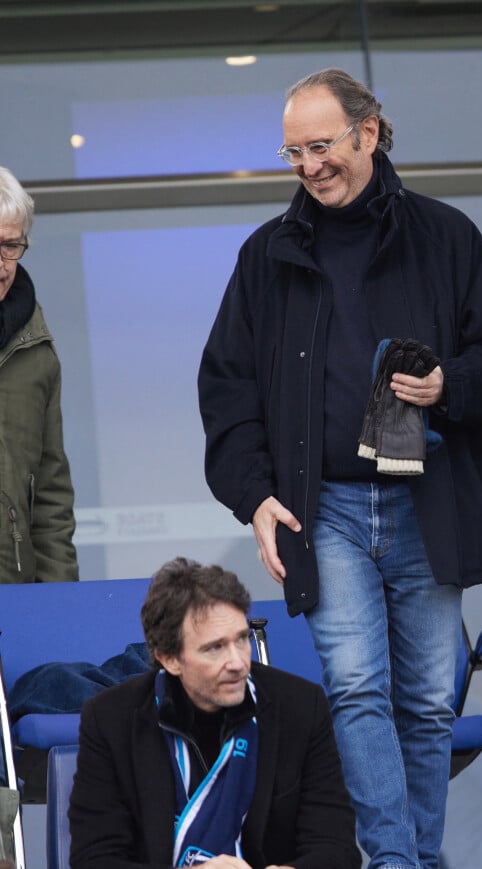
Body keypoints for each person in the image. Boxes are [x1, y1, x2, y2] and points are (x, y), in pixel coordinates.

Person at [197, 68, 482, 869]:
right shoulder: (266, 256)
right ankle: (392, 860)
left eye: (322, 146)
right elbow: (226, 389)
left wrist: (450, 384)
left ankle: (413, 856)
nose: (310, 165)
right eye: (293, 152)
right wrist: (254, 497)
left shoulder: (446, 235)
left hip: (430, 503)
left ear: (369, 134)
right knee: (355, 690)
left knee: (424, 701)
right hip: (328, 511)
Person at [68, 557, 360, 869]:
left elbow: (337, 849)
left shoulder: (301, 706)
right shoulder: (111, 719)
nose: (237, 662)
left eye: (241, 639)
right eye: (214, 648)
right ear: (170, 659)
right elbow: (94, 859)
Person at [0, 165, 78, 583]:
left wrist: (60, 604)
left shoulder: (38, 352)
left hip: (14, 601)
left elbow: (51, 497)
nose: (1, 265)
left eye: (11, 246)